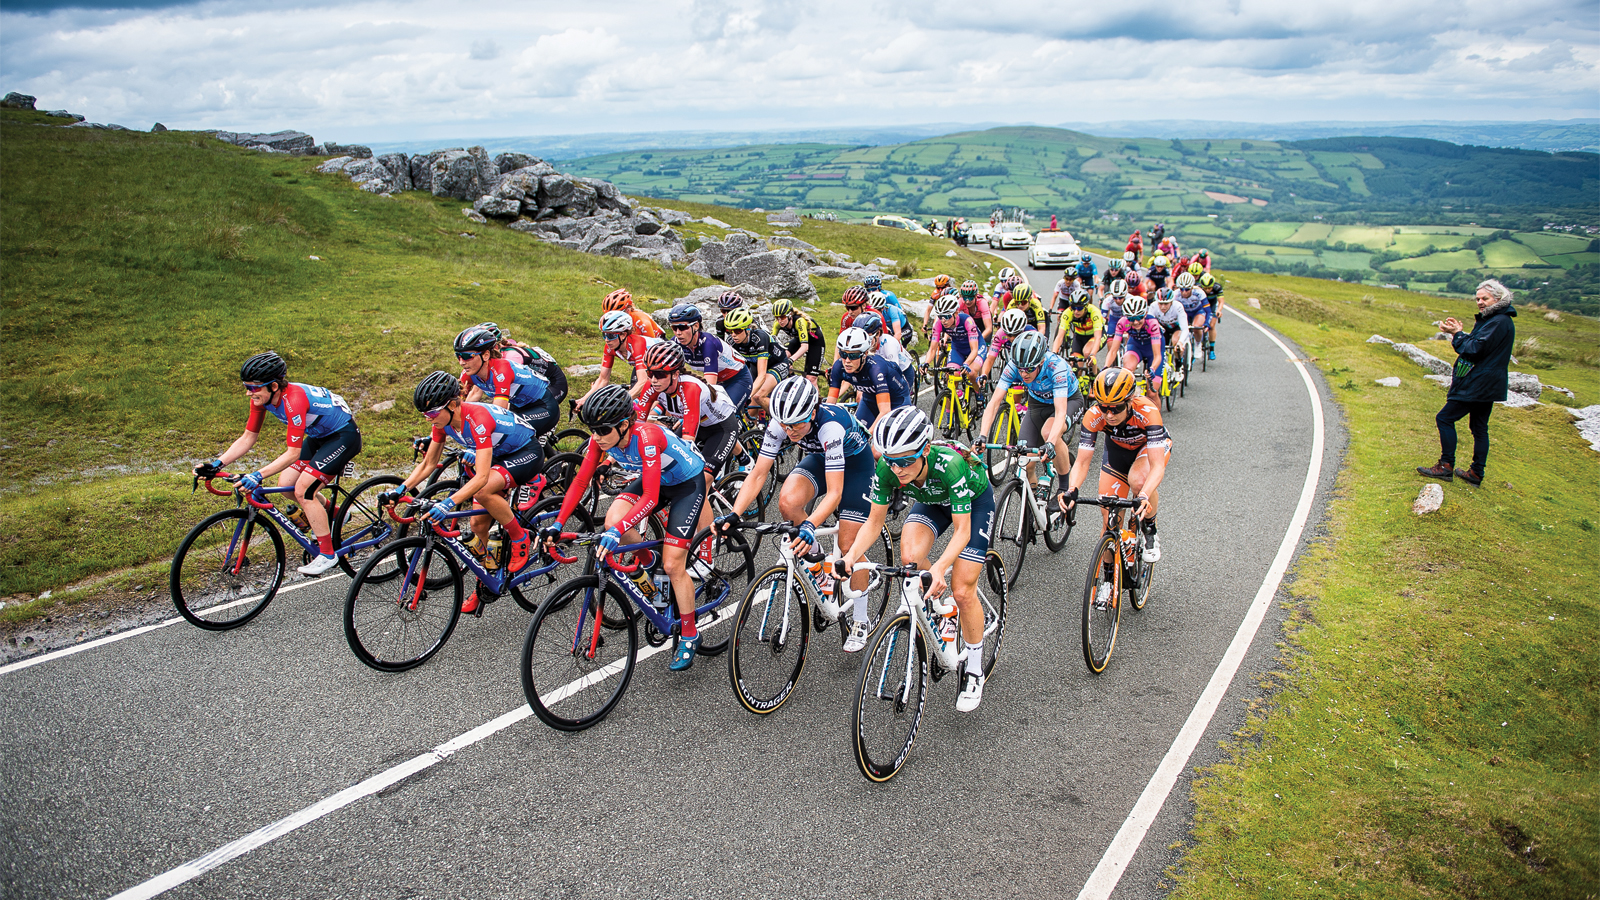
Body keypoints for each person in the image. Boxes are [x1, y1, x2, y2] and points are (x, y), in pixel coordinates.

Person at [542, 385, 710, 671]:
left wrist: (617, 532)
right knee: (612, 519)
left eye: (602, 430)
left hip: (685, 485)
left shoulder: (646, 436)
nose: (596, 437)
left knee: (672, 565)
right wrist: (557, 525)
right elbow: (580, 483)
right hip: (654, 479)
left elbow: (652, 498)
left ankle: (690, 634)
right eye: (592, 430)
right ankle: (648, 563)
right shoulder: (603, 439)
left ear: (623, 425)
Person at [839, 407, 996, 712]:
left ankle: (974, 669)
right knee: (910, 559)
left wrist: (940, 567)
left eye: (906, 462)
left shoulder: (949, 465)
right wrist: (850, 557)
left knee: (963, 589)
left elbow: (962, 531)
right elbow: (873, 523)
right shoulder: (887, 469)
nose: (898, 470)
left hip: (972, 504)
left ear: (925, 449)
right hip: (932, 503)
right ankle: (943, 608)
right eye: (892, 461)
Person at [716, 378, 879, 650]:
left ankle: (861, 618)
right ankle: (817, 561)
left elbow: (835, 493)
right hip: (820, 459)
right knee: (788, 502)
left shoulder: (830, 428)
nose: (789, 431)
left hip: (856, 467)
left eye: (796, 424)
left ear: (813, 413)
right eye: (784, 424)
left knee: (847, 543)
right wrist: (735, 514)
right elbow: (758, 473)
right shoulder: (781, 423)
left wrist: (811, 525)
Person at [195, 352, 362, 577]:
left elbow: (292, 453)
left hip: (343, 436)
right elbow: (248, 437)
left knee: (305, 490)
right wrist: (216, 463)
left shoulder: (293, 400)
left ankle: (327, 554)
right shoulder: (261, 399)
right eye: (247, 386)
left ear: (274, 386)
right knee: (287, 484)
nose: (248, 392)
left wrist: (257, 475)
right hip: (319, 436)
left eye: (254, 388)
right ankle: (336, 514)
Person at [390, 371, 542, 612]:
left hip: (524, 453)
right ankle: (485, 583)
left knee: (482, 492)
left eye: (431, 413)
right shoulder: (443, 421)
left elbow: (481, 477)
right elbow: (429, 464)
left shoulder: (477, 418)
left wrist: (447, 504)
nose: (429, 419)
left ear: (452, 404)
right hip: (498, 456)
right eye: (424, 415)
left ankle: (519, 536)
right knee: (477, 527)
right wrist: (400, 489)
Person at [1061, 367, 1170, 564]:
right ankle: (1108, 581)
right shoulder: (1093, 416)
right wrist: (1071, 489)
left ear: (1130, 401)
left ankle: (1150, 529)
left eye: (1116, 408)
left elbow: (1157, 466)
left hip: (1146, 450)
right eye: (1104, 407)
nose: (1109, 415)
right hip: (1117, 453)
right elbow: (1082, 461)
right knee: (1109, 521)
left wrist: (1144, 495)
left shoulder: (1148, 412)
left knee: (1138, 481)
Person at [1417, 280, 1518, 486]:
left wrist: (1457, 334)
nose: (1480, 302)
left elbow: (1473, 350)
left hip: (1478, 382)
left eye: (1485, 298)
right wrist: (1460, 334)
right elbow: (1478, 346)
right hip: (1487, 383)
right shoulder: (1497, 320)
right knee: (1479, 427)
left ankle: (1446, 466)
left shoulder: (1498, 321)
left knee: (1444, 418)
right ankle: (1476, 473)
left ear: (1497, 299)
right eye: (1478, 299)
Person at [636, 341, 741, 506]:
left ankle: (705, 529)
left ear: (675, 374)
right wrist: (611, 460)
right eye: (650, 373)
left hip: (721, 428)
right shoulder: (652, 385)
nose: (654, 380)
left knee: (699, 484)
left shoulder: (690, 387)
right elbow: (636, 426)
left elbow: (687, 441)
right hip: (697, 424)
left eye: (660, 374)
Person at [978, 331, 1081, 499]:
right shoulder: (1014, 365)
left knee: (1048, 433)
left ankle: (1064, 489)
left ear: (1041, 361)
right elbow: (995, 402)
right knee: (1025, 460)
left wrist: (1050, 443)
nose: (1024, 374)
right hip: (1037, 404)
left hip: (1068, 401)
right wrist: (982, 436)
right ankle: (1033, 506)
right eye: (1021, 369)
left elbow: (1061, 411)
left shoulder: (1056, 367)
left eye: (1029, 369)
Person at [454, 325, 561, 440]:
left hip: (543, 406)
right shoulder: (468, 372)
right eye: (458, 356)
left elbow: (498, 413)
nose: (461, 362)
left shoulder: (502, 370)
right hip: (520, 405)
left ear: (485, 356)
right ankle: (553, 455)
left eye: (466, 356)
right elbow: (456, 405)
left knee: (505, 434)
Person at [669, 304, 753, 412]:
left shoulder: (708, 343)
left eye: (682, 327)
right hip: (720, 380)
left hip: (738, 379)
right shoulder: (675, 344)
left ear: (696, 326)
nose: (678, 333)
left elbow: (710, 387)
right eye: (674, 328)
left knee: (723, 413)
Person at [829, 327, 913, 429]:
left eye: (853, 355)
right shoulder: (838, 367)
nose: (847, 360)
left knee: (888, 438)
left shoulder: (876, 368)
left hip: (896, 400)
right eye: (843, 354)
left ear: (864, 354)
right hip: (869, 400)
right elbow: (830, 405)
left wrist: (868, 435)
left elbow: (885, 411)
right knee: (858, 433)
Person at [577, 309, 662, 407]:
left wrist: (620, 403)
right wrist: (583, 400)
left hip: (665, 363)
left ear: (623, 334)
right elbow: (603, 379)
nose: (606, 340)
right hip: (650, 365)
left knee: (646, 401)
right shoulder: (609, 347)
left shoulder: (637, 344)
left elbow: (643, 381)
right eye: (604, 334)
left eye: (611, 335)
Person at [720, 307, 789, 411]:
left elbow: (762, 376)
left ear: (748, 328)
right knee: (750, 411)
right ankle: (757, 426)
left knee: (758, 396)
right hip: (755, 366)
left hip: (777, 364)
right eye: (730, 331)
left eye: (738, 330)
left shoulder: (760, 338)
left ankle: (782, 420)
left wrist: (747, 396)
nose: (733, 335)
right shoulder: (731, 342)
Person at [1104, 295, 1165, 402]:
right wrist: (1105, 367)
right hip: (1136, 345)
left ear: (1145, 314)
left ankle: (1157, 417)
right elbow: (1113, 350)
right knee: (1127, 371)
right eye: (1131, 319)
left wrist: (1153, 368)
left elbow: (1157, 355)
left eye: (1139, 317)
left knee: (1152, 393)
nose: (1136, 322)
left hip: (1152, 348)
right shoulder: (1122, 322)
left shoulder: (1152, 323)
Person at [925, 295, 985, 390]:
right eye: (940, 316)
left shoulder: (967, 321)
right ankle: (951, 400)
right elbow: (932, 349)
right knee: (951, 375)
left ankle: (979, 395)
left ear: (956, 313)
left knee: (971, 372)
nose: (943, 320)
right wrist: (926, 363)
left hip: (976, 347)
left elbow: (974, 350)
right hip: (958, 349)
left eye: (947, 316)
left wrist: (966, 363)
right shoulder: (939, 323)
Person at [771, 298, 825, 385]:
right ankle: (792, 376)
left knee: (810, 378)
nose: (780, 321)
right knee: (784, 356)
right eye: (777, 318)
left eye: (782, 317)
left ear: (790, 314)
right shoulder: (777, 324)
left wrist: (791, 360)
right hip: (799, 340)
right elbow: (771, 341)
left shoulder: (799, 321)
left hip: (815, 342)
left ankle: (814, 397)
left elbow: (805, 347)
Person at [977, 308, 1035, 382]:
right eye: (1009, 335)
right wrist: (984, 375)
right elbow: (990, 359)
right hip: (1013, 364)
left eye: (1016, 334)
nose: (1012, 338)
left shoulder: (1031, 333)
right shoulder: (1000, 334)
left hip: (1030, 366)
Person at [1054, 288, 1105, 362]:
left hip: (1094, 336)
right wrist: (1053, 353)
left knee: (1087, 353)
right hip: (1079, 336)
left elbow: (1097, 337)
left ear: (1086, 306)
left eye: (1080, 308)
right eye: (1073, 307)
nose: (1076, 311)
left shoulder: (1094, 312)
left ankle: (1094, 372)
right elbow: (1060, 336)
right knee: (1074, 362)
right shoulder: (1068, 313)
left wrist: (1093, 354)